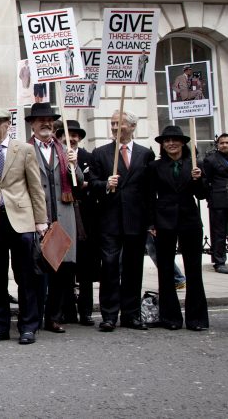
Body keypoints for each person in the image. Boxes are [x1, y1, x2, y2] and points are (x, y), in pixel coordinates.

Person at [0, 108, 48, 345]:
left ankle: (28, 326)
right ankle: (0, 326)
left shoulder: (23, 150)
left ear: (8, 124)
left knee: (25, 276)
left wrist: (41, 220)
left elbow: (35, 187)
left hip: (21, 220)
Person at [90, 110, 155, 332]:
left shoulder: (145, 154)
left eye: (120, 124)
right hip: (109, 220)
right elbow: (92, 185)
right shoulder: (100, 153)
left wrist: (151, 222)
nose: (116, 128)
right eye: (113, 123)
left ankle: (131, 314)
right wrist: (106, 184)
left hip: (135, 220)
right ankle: (108, 315)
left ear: (132, 127)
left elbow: (149, 191)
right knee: (109, 267)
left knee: (133, 268)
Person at [26, 103, 82, 334]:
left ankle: (54, 316)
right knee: (37, 268)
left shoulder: (63, 149)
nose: (46, 123)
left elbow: (77, 182)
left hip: (62, 213)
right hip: (36, 216)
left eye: (49, 119)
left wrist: (74, 163)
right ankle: (35, 315)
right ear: (32, 124)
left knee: (61, 269)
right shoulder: (24, 148)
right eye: (40, 120)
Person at [145, 126, 209, 331]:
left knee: (193, 269)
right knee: (165, 270)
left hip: (189, 220)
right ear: (162, 145)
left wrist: (199, 179)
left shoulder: (194, 165)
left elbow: (202, 195)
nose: (171, 143)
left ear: (182, 143)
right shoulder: (155, 167)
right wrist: (151, 223)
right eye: (166, 141)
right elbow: (148, 197)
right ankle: (170, 318)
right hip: (164, 220)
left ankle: (196, 319)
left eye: (174, 140)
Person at [56, 120, 98, 326]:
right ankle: (67, 310)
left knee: (85, 268)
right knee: (65, 267)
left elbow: (92, 182)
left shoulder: (89, 158)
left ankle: (86, 310)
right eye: (66, 134)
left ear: (79, 138)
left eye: (74, 135)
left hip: (86, 217)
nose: (70, 138)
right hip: (64, 214)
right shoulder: (56, 156)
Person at [204, 133, 228, 273]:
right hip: (218, 201)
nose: (224, 145)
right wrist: (210, 198)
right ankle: (219, 262)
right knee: (219, 232)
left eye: (227, 142)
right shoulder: (211, 160)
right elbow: (206, 181)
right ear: (217, 144)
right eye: (222, 143)